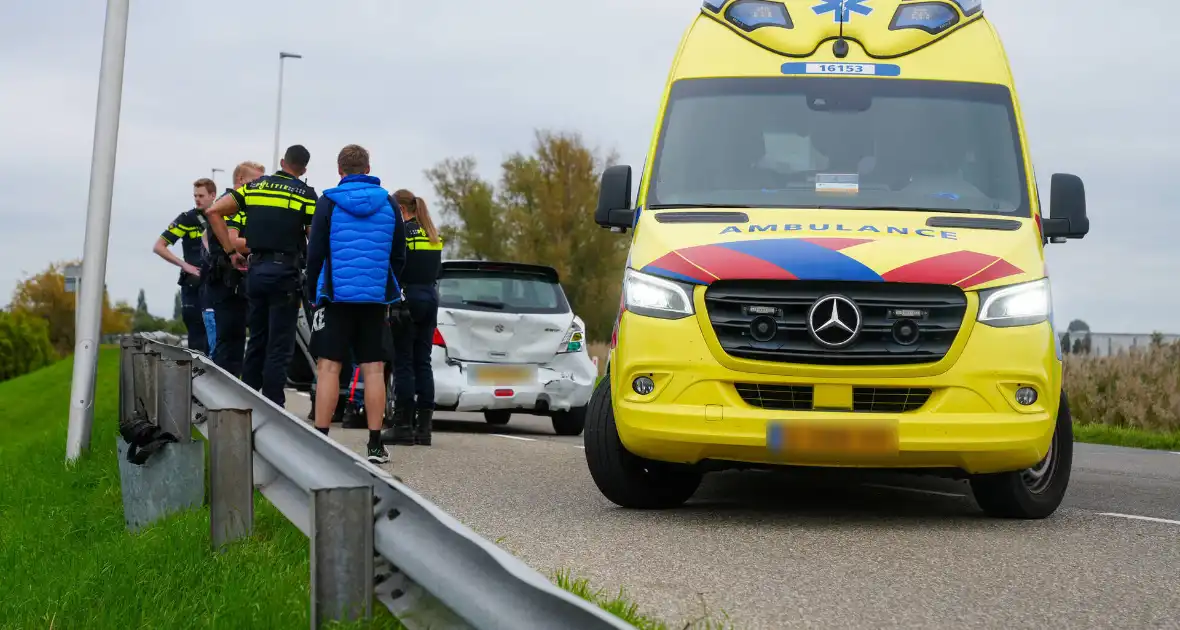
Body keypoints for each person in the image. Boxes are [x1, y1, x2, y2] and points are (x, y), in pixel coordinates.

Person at [304, 144, 405, 464]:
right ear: (368, 168)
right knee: (374, 369)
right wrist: (382, 283)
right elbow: (399, 255)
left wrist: (312, 292)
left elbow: (315, 252)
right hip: (375, 300)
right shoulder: (389, 203)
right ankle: (375, 445)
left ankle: (321, 440)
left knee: (328, 367)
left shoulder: (328, 203)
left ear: (340, 170)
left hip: (335, 298)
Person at [205, 145, 317, 406]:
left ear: (282, 161)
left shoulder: (255, 188)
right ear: (304, 169)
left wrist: (232, 252)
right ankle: (274, 405)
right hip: (286, 274)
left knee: (256, 339)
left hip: (255, 272)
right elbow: (314, 237)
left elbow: (213, 211)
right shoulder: (307, 194)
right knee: (279, 344)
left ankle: (247, 402)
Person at [382, 190, 443, 447]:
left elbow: (393, 267)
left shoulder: (401, 233)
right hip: (430, 297)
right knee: (423, 362)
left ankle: (403, 425)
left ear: (400, 209)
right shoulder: (432, 235)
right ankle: (424, 427)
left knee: (403, 362)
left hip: (407, 299)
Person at [205, 161, 266, 377]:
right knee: (229, 339)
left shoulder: (235, 203)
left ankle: (229, 390)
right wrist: (268, 244)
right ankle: (223, 394)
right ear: (240, 180)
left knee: (236, 338)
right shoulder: (233, 205)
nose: (259, 186)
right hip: (227, 280)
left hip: (233, 280)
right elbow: (233, 240)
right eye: (255, 181)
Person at [153, 178, 214, 354]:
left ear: (212, 195)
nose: (197, 199)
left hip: (214, 284)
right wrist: (184, 265)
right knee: (196, 337)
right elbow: (159, 246)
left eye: (201, 195)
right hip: (193, 284)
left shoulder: (223, 216)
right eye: (195, 196)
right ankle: (196, 378)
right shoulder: (187, 219)